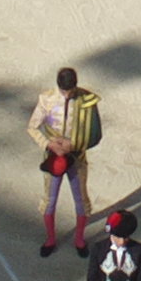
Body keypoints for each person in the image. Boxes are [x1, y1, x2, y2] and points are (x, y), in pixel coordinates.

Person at [30, 67, 101, 255]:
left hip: (76, 156)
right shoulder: (46, 99)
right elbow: (32, 127)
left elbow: (95, 134)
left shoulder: (86, 100)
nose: (68, 94)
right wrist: (48, 144)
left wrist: (73, 145)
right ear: (59, 86)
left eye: (70, 90)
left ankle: (79, 239)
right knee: (49, 200)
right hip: (53, 157)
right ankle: (51, 239)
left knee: (81, 200)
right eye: (64, 91)